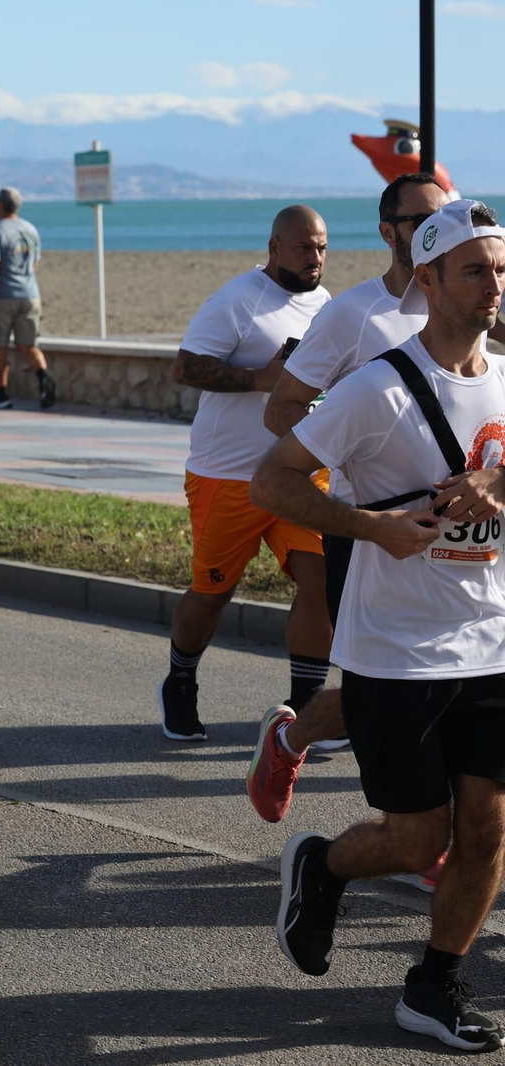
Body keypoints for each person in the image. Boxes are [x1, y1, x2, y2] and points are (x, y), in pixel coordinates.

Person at [253, 198, 505, 1054]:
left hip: (494, 640)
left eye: (502, 269)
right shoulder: (377, 389)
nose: (494, 285)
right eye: (476, 269)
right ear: (428, 279)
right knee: (417, 835)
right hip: (396, 652)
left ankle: (433, 987)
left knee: (487, 826)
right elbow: (275, 480)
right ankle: (321, 868)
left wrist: (496, 491)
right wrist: (374, 529)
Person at [246, 174, 450, 825]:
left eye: (441, 218)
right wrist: (355, 447)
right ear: (388, 231)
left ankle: (438, 831)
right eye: (419, 221)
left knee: (456, 676)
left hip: (466, 532)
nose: (432, 232)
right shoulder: (354, 314)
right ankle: (292, 741)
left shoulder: (470, 303)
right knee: (386, 685)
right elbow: (284, 410)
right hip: (371, 527)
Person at [156, 206, 332, 742]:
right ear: (276, 247)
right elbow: (186, 369)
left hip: (301, 473)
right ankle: (180, 681)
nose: (315, 258)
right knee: (213, 592)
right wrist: (263, 378)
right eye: (304, 247)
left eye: (322, 247)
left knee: (322, 582)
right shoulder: (238, 300)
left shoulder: (326, 306)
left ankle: (307, 704)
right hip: (226, 475)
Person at [0, 187, 55, 410]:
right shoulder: (30, 230)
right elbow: (34, 263)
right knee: (28, 344)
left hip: (5, 296)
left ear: (2, 205)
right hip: (31, 294)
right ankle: (44, 378)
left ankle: (2, 393)